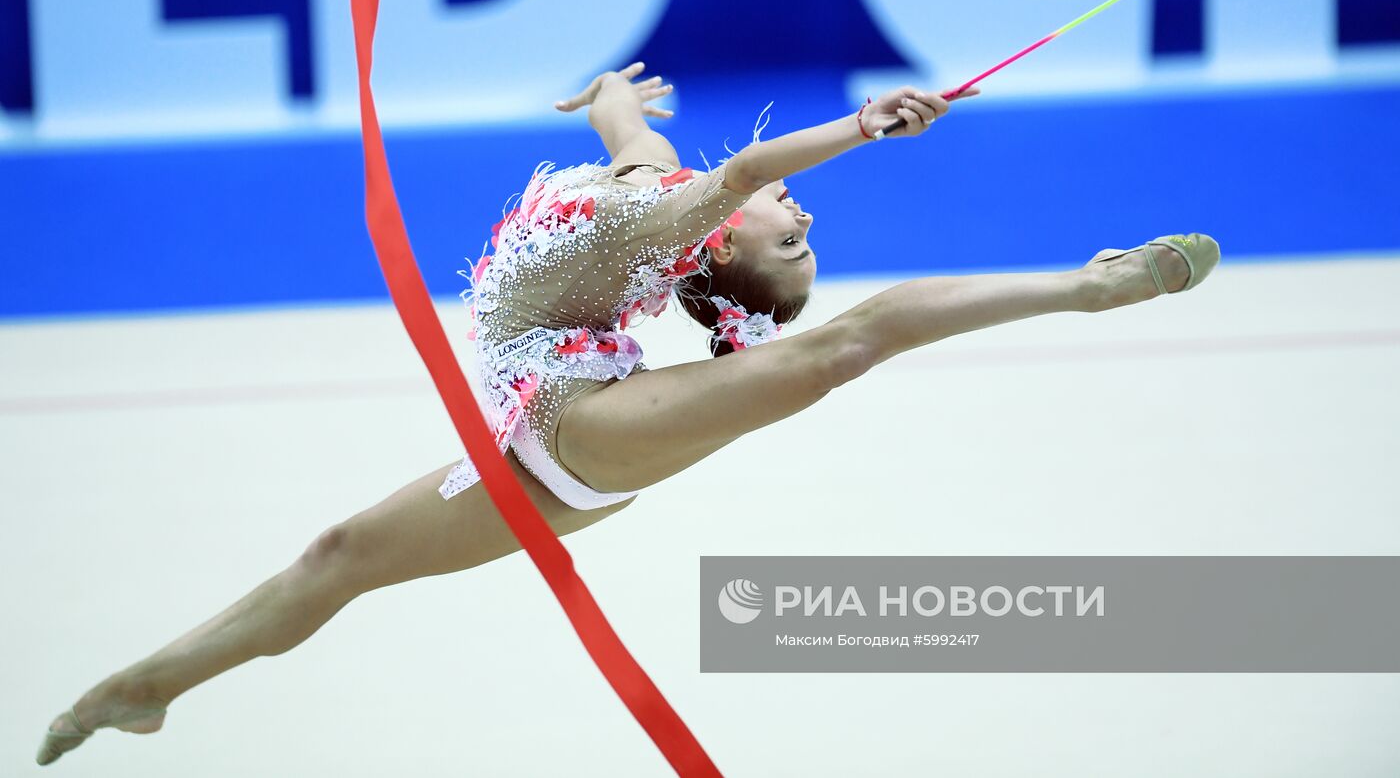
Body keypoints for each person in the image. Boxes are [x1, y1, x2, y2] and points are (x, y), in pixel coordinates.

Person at [36, 62, 1218, 765]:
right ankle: (145, 687)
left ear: (724, 247)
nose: (796, 215)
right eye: (801, 227)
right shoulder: (654, 193)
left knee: (840, 350)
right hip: (531, 455)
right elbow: (633, 136)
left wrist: (865, 127)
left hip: (582, 419)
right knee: (336, 557)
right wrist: (606, 94)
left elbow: (747, 175)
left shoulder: (679, 217)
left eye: (795, 235)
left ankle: (1090, 283)